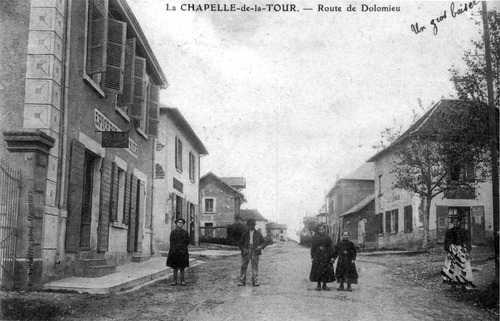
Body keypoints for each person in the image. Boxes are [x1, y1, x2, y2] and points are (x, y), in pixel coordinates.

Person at [441, 216, 475, 291]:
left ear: (460, 222)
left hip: (462, 250)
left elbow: (468, 242)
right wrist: (448, 252)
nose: (456, 223)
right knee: (452, 266)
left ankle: (463, 284)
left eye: (457, 221)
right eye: (454, 221)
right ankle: (453, 284)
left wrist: (468, 252)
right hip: (453, 250)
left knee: (463, 266)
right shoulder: (449, 231)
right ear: (452, 223)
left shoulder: (465, 231)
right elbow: (446, 242)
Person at [238, 219, 267, 286]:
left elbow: (264, 242)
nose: (251, 226)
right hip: (247, 250)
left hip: (255, 251)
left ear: (254, 225)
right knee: (243, 266)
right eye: (250, 225)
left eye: (253, 225)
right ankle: (242, 281)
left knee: (255, 266)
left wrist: (260, 247)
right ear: (248, 225)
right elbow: (240, 243)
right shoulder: (245, 233)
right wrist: (243, 250)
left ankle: (255, 281)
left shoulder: (258, 233)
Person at [309, 224, 335, 290]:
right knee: (318, 270)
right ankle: (318, 285)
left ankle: (325, 285)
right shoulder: (315, 238)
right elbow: (313, 247)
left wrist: (331, 256)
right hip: (318, 255)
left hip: (326, 255)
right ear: (318, 230)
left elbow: (331, 247)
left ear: (325, 230)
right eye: (320, 230)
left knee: (325, 270)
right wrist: (312, 256)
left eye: (322, 229)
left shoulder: (328, 238)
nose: (321, 231)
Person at [166, 218, 190, 286]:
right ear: (176, 223)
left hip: (182, 251)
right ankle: (174, 280)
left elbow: (187, 241)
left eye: (181, 222)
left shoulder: (185, 232)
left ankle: (182, 280)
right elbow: (171, 242)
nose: (180, 223)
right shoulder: (173, 232)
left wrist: (182, 248)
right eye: (178, 222)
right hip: (175, 251)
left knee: (182, 266)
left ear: (183, 224)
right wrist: (174, 249)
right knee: (175, 267)